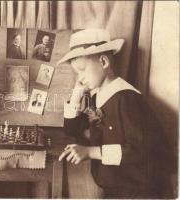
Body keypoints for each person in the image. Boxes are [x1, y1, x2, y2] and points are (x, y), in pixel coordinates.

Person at [57, 29, 174, 198]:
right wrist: (75, 97)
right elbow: (72, 130)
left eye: (82, 70)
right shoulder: (96, 97)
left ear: (104, 62)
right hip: (115, 189)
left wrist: (90, 152)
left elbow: (138, 149)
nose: (79, 79)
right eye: (77, 74)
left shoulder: (126, 98)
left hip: (141, 191)